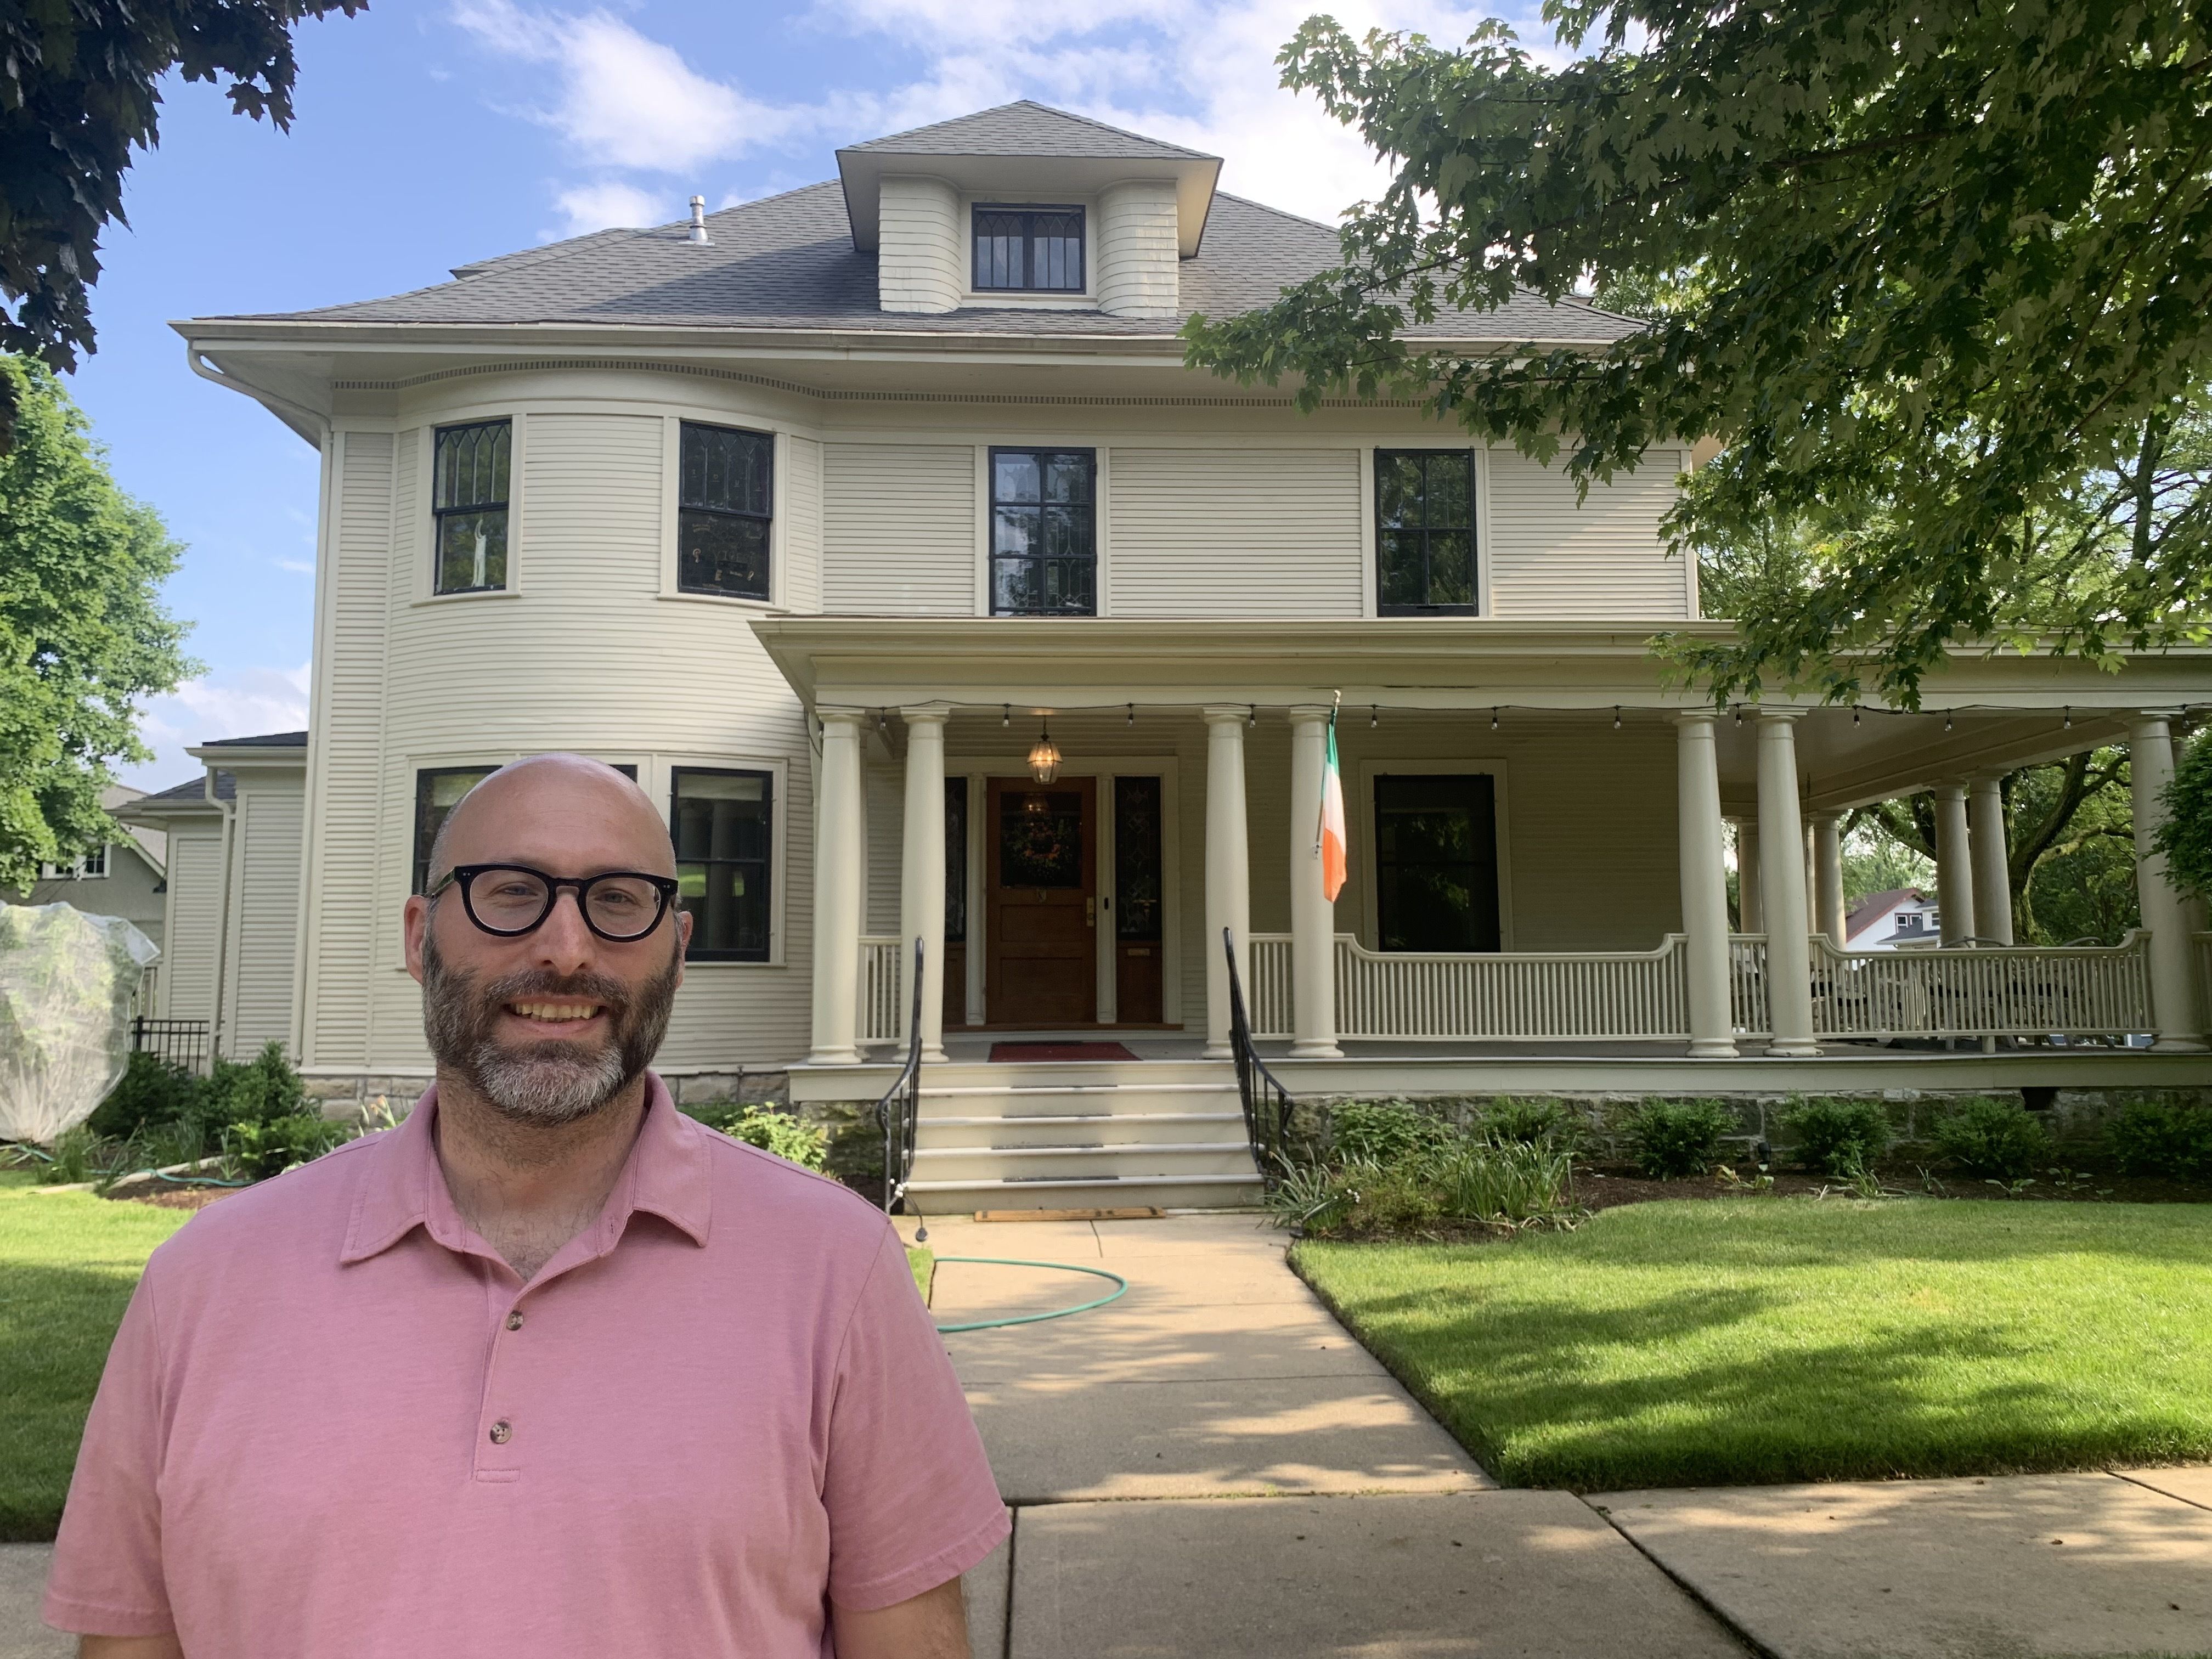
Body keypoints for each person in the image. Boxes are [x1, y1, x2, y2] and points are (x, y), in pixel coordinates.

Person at [44, 754, 1006, 1658]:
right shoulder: (205, 1285)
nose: (566, 950)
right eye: (511, 892)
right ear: (420, 938)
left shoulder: (836, 1271)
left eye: (619, 902)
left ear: (677, 949)